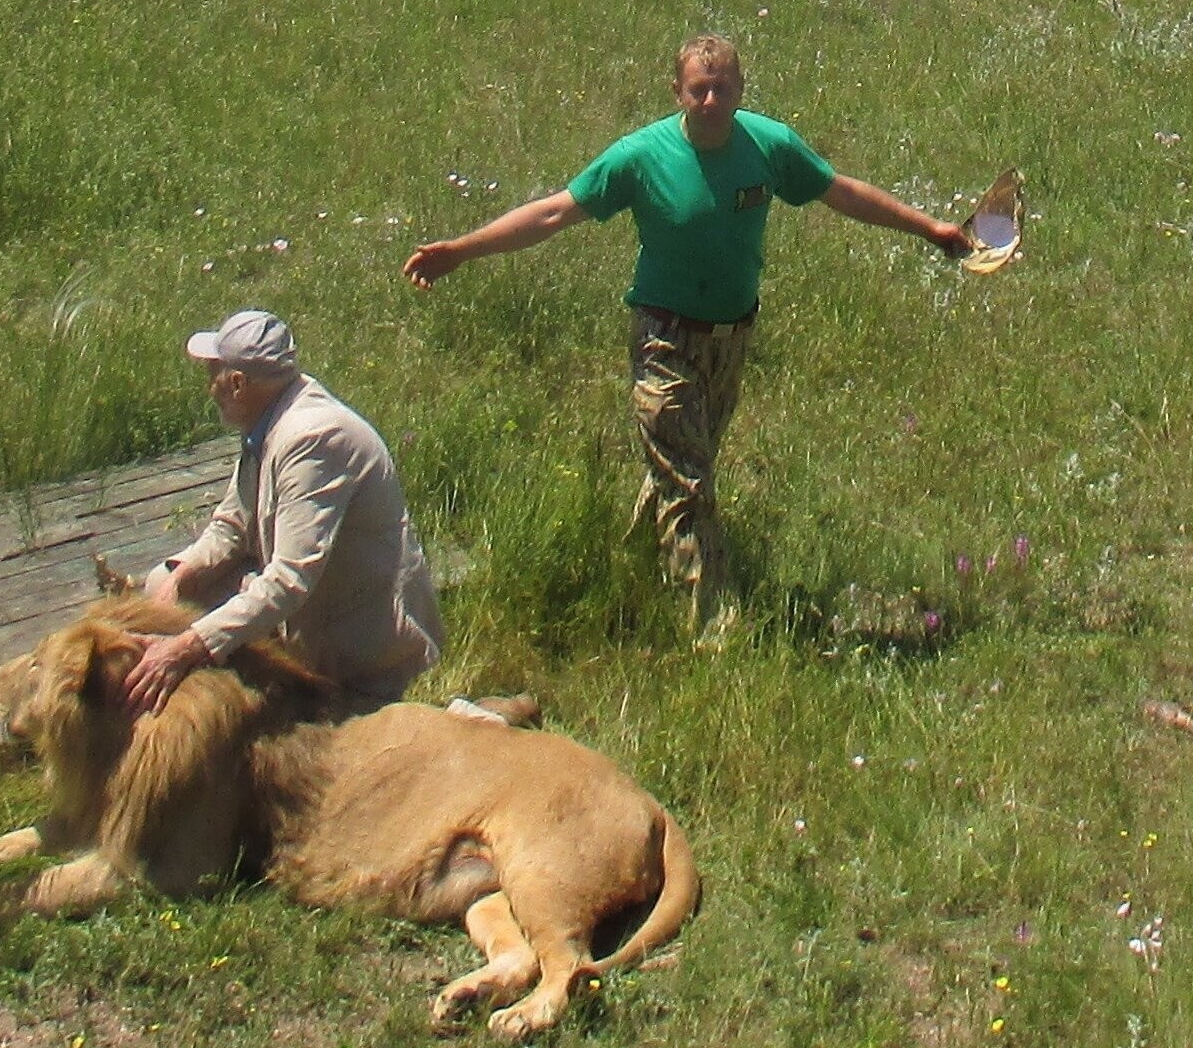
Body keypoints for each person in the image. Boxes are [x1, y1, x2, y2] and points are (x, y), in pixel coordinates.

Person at [403, 34, 971, 618]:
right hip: (665, 338)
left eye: (722, 88)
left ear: (741, 90)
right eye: (699, 90)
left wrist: (930, 228)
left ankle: (631, 571)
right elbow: (552, 212)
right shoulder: (640, 157)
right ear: (677, 92)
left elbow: (842, 193)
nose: (710, 101)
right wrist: (461, 250)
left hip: (732, 339)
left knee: (684, 469)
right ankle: (712, 625)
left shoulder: (769, 146)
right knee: (689, 483)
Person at [124, 310, 446, 718]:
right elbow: (231, 526)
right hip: (319, 608)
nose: (209, 387)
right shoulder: (268, 420)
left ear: (237, 383)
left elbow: (292, 578)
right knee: (163, 583)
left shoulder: (313, 439)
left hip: (360, 641)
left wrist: (189, 646)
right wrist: (181, 578)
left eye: (212, 374)